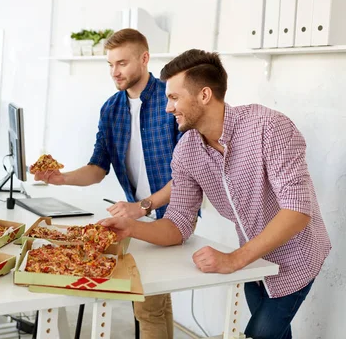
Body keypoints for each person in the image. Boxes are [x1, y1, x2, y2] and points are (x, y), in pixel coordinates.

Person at [101, 49, 332, 339]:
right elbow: (178, 225)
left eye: (174, 98)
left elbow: (297, 209)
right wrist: (132, 228)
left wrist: (234, 259)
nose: (167, 108)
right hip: (252, 265)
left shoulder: (269, 127)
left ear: (204, 95)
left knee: (258, 335)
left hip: (295, 256)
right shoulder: (186, 152)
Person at [33, 28, 181, 339]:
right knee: (154, 304)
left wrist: (141, 207)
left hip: (173, 213)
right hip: (138, 214)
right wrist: (62, 179)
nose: (115, 72)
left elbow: (188, 175)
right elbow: (98, 168)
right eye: (111, 65)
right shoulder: (111, 108)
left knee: (146, 306)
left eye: (123, 63)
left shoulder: (171, 100)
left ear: (144, 58)